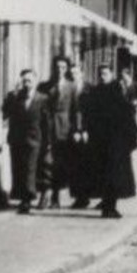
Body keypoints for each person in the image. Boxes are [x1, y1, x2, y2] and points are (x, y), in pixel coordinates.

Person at [79, 65, 137, 219]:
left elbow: (127, 114)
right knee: (104, 174)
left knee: (114, 175)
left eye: (105, 73)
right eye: (100, 74)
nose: (102, 76)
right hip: (100, 141)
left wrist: (130, 138)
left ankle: (110, 205)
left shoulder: (117, 90)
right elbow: (89, 114)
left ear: (111, 74)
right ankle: (107, 205)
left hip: (116, 141)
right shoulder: (96, 92)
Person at [1, 69, 43, 213]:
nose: (27, 84)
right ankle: (22, 198)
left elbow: (46, 122)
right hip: (17, 139)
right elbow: (5, 113)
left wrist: (47, 141)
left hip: (34, 139)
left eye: (29, 81)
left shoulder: (42, 98)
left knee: (29, 170)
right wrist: (11, 95)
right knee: (18, 169)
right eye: (24, 81)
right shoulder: (15, 97)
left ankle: (27, 200)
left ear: (35, 82)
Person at [46, 56, 84, 210]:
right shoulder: (47, 85)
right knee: (51, 163)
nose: (59, 70)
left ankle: (70, 195)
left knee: (64, 164)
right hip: (49, 128)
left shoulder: (71, 86)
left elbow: (77, 110)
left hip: (66, 128)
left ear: (66, 69)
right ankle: (53, 197)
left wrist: (77, 129)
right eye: (57, 66)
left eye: (62, 67)